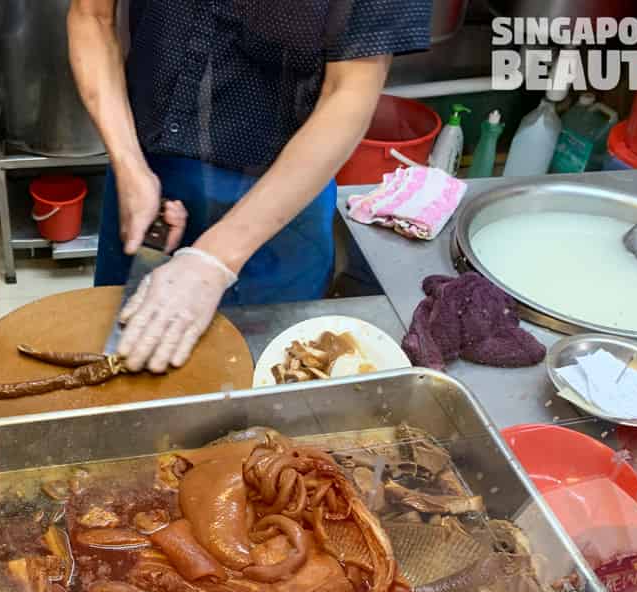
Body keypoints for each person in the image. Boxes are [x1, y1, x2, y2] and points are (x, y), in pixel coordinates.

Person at [68, 0, 432, 373]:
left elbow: (350, 91)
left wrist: (214, 259)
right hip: (146, 177)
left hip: (279, 199)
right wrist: (128, 163)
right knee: (117, 364)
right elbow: (91, 15)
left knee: (254, 379)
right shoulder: (135, 169)